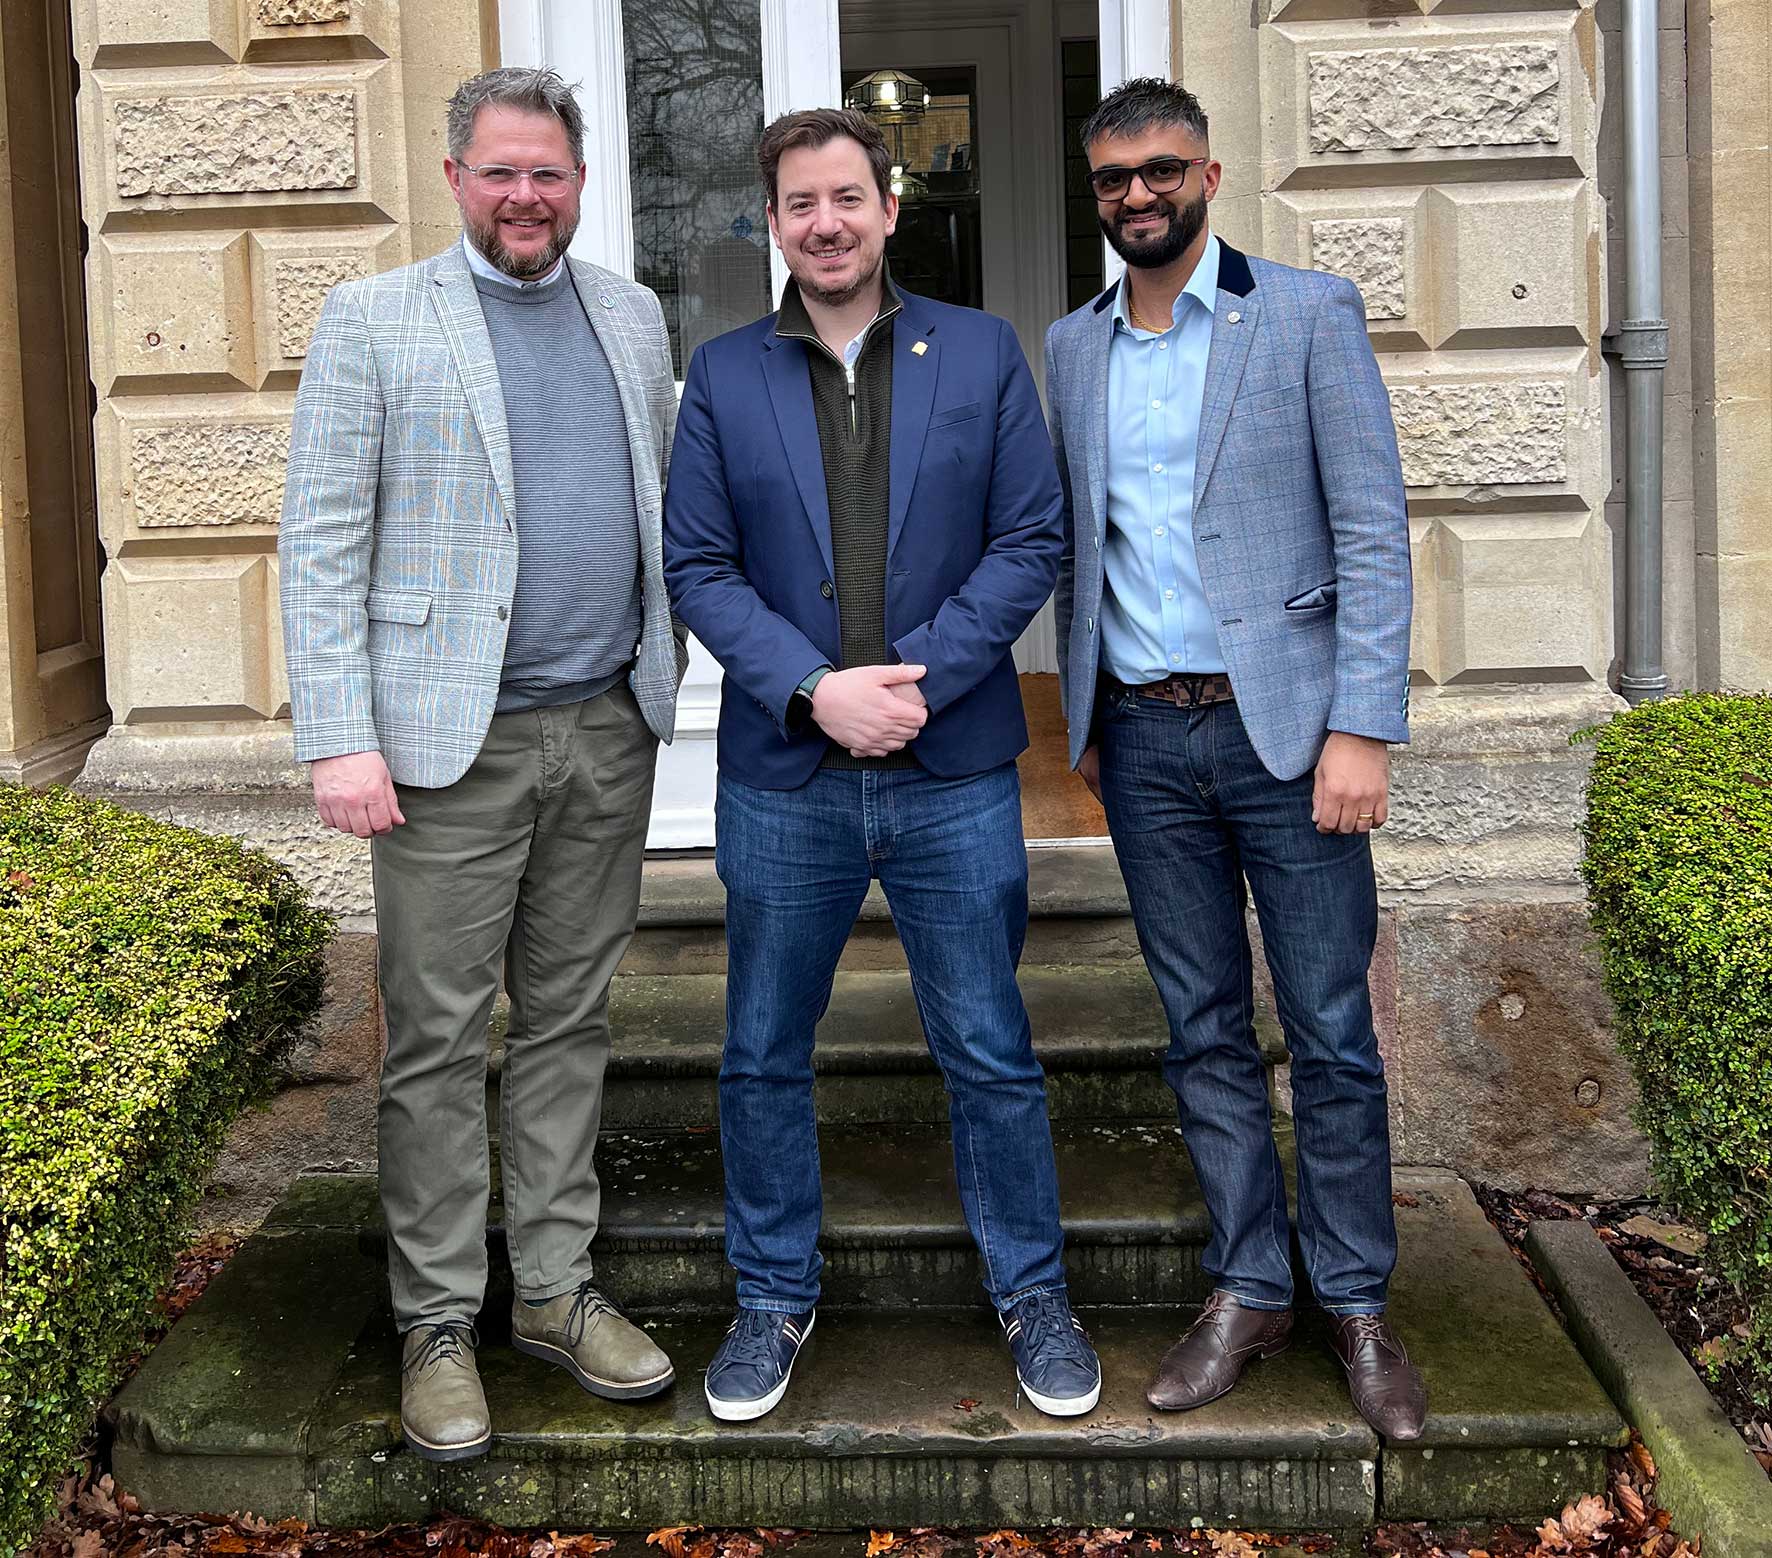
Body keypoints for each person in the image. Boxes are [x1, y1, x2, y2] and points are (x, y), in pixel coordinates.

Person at [662, 107, 1100, 1424]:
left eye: (847, 196)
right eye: (800, 202)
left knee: (989, 1044)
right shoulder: (725, 372)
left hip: (951, 763)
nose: (827, 222)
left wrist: (915, 682)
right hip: (783, 775)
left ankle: (1032, 1291)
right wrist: (814, 690)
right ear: (775, 222)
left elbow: (1033, 535)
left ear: (890, 205)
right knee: (759, 1052)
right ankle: (770, 1294)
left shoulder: (978, 353)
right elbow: (699, 567)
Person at [279, 66, 686, 1463]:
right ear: (456, 176)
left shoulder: (630, 316)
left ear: (582, 184)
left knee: (570, 1022)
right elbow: (323, 538)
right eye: (503, 171)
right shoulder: (375, 319)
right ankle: (439, 1318)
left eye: (551, 174)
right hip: (448, 749)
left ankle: (557, 1293)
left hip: (604, 728)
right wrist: (341, 732)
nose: (528, 196)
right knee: (441, 1041)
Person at [1043, 77, 1424, 1439]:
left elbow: (1374, 531)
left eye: (1159, 171)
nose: (1135, 196)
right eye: (1111, 181)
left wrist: (1361, 725)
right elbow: (1085, 545)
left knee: (1329, 1030)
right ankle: (1249, 1286)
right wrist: (1086, 722)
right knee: (1201, 1028)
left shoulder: (1307, 316)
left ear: (1207, 173)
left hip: (1294, 738)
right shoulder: (1074, 345)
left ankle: (1360, 1302)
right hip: (1146, 736)